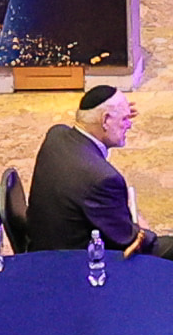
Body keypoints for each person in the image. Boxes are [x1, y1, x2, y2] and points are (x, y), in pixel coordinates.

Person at [14, 87, 142, 256]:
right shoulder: (103, 179)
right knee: (169, 247)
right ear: (105, 120)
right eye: (125, 119)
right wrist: (143, 230)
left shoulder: (56, 135)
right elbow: (126, 238)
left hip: (42, 244)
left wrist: (118, 115)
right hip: (73, 265)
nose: (129, 124)